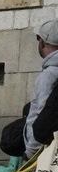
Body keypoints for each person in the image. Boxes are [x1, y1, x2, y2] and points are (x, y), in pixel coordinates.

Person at [25, 17, 58, 149]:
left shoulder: (48, 76)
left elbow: (41, 117)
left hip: (45, 151)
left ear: (43, 43)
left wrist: (31, 151)